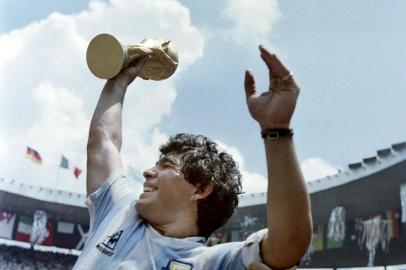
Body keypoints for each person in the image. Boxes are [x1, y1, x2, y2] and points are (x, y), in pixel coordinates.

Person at [73, 45, 312, 269]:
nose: (147, 172)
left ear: (200, 189)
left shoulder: (211, 262)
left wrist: (276, 130)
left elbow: (289, 244)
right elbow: (103, 142)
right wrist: (119, 79)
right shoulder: (118, 210)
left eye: (166, 166)